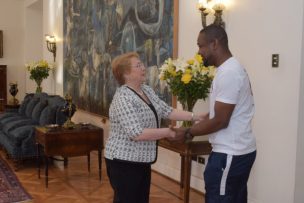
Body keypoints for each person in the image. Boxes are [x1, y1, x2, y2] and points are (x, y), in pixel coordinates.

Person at [172, 24, 256, 203]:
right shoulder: (229, 69)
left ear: (215, 44)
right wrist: (198, 121)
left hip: (229, 154)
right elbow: (222, 113)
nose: (199, 52)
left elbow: (220, 120)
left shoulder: (229, 73)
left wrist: (188, 132)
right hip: (236, 151)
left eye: (201, 46)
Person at [104, 52, 204, 203]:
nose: (144, 67)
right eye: (138, 65)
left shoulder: (146, 90)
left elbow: (166, 110)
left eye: (142, 64)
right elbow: (136, 133)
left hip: (141, 159)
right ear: (126, 73)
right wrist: (169, 132)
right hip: (123, 162)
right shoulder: (122, 98)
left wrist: (196, 117)